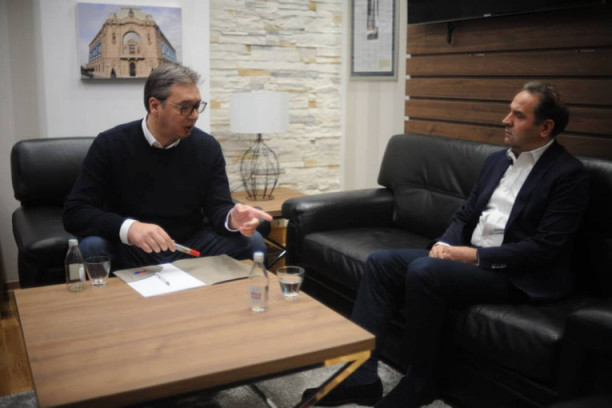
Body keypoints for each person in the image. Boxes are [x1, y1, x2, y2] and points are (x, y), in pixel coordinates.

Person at [303, 81, 590, 407]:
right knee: (381, 263)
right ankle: (359, 378)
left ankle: (420, 382)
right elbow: (465, 215)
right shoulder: (497, 161)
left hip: (515, 274)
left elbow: (544, 249)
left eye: (518, 115)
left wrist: (474, 256)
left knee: (425, 271)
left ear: (545, 127)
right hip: (468, 258)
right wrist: (444, 243)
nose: (505, 120)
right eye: (509, 111)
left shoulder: (568, 175)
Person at [64, 63, 272, 270]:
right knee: (92, 247)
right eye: (184, 107)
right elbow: (76, 212)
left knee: (252, 242)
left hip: (190, 247)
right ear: (155, 106)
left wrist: (232, 219)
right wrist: (130, 228)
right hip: (133, 248)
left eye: (197, 106)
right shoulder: (110, 144)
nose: (195, 115)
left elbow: (218, 207)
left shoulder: (207, 147)